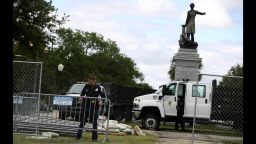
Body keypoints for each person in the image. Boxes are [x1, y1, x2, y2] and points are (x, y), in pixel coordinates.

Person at [75, 74, 105, 141]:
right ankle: (78, 136)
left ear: (94, 81)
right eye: (89, 81)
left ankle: (94, 138)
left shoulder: (98, 87)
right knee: (82, 121)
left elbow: (103, 95)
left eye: (91, 81)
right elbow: (82, 93)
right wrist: (81, 97)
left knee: (94, 122)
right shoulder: (86, 86)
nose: (89, 83)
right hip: (86, 105)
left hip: (94, 107)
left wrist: (101, 101)